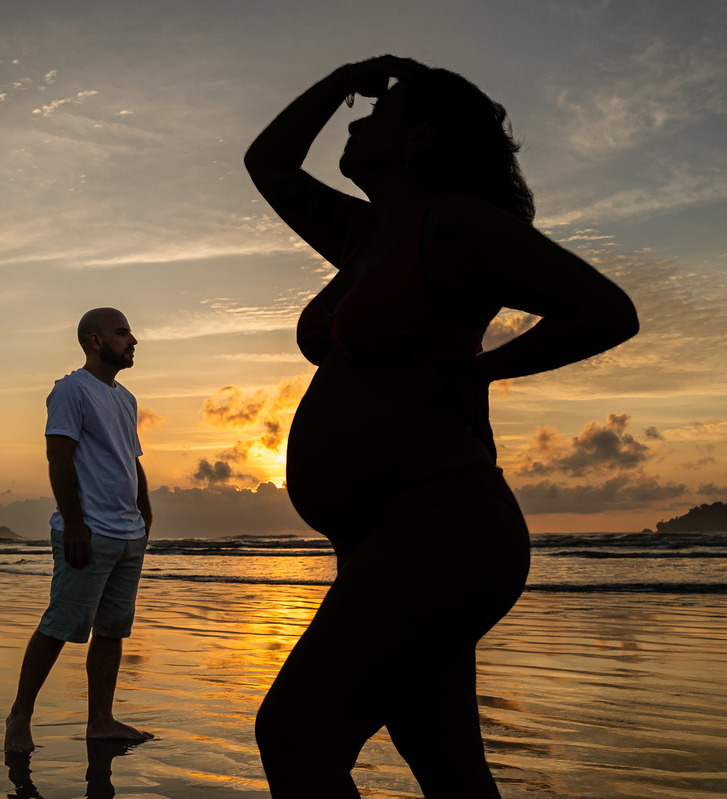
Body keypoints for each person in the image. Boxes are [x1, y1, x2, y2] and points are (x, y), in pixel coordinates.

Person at [244, 56, 639, 797]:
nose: (359, 119)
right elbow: (268, 163)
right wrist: (343, 77)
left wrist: (483, 370)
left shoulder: (453, 223)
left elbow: (606, 310)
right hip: (383, 543)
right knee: (452, 770)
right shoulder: (367, 234)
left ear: (422, 137)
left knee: (296, 733)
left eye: (378, 113)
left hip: (442, 531)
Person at [4, 307, 155, 752]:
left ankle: (101, 720)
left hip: (129, 533)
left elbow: (132, 459)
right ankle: (20, 715)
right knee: (60, 624)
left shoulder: (125, 398)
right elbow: (60, 457)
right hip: (89, 530)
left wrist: (145, 514)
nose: (132, 340)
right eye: (122, 332)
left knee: (113, 629)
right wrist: (73, 523)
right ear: (95, 341)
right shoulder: (71, 390)